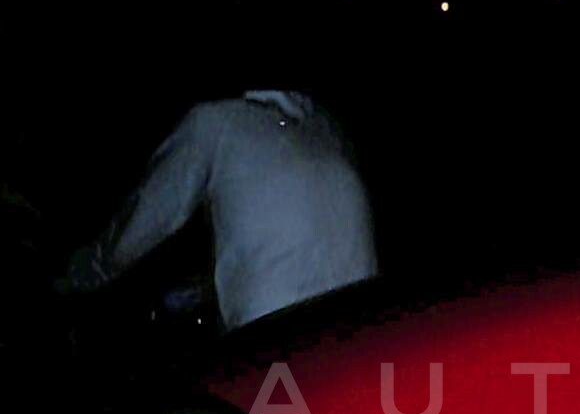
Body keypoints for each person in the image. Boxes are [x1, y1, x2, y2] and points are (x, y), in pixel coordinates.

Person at [64, 88, 378, 331]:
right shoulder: (327, 136)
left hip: (274, 353)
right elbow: (297, 255)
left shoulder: (215, 124)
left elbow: (141, 227)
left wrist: (80, 276)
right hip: (361, 346)